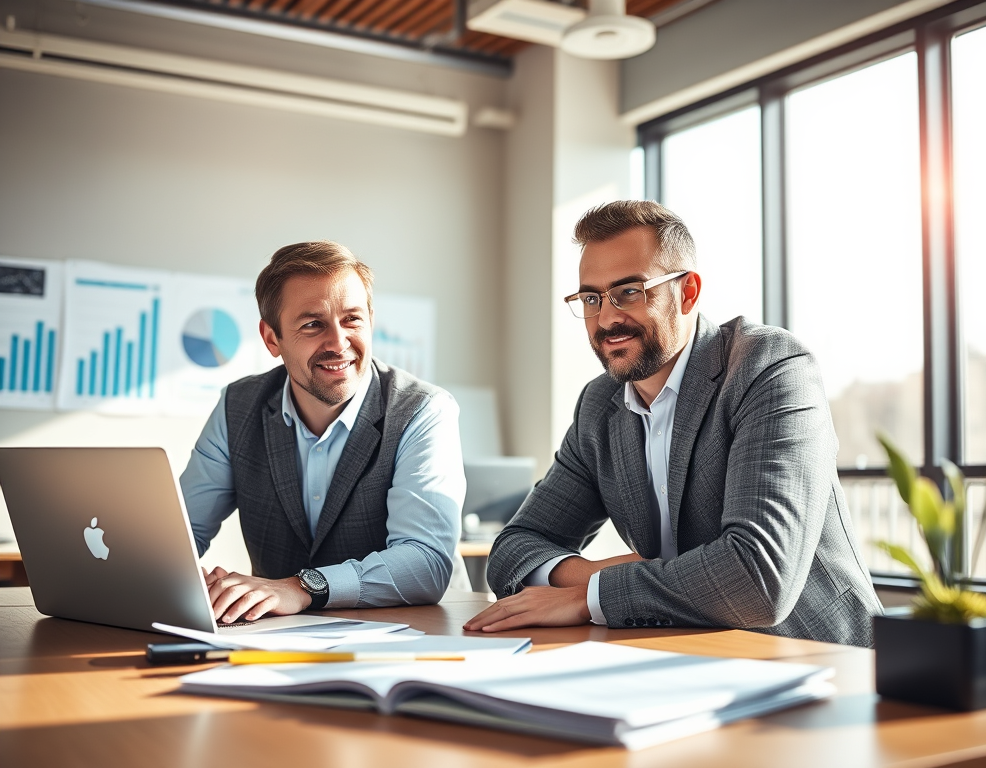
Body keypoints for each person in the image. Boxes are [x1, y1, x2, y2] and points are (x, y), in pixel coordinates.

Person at [465, 201, 881, 647]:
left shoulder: (767, 367)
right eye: (591, 299)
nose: (607, 318)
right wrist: (590, 575)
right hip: (686, 657)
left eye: (629, 292)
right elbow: (514, 548)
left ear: (688, 292)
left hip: (822, 660)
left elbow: (758, 577)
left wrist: (589, 597)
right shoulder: (599, 406)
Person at [181, 240, 465, 624]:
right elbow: (180, 535)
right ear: (271, 339)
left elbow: (424, 563)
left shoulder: (422, 410)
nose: (338, 343)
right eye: (313, 324)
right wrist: (187, 579)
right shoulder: (238, 407)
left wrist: (301, 587)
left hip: (420, 634)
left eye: (352, 319)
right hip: (279, 640)